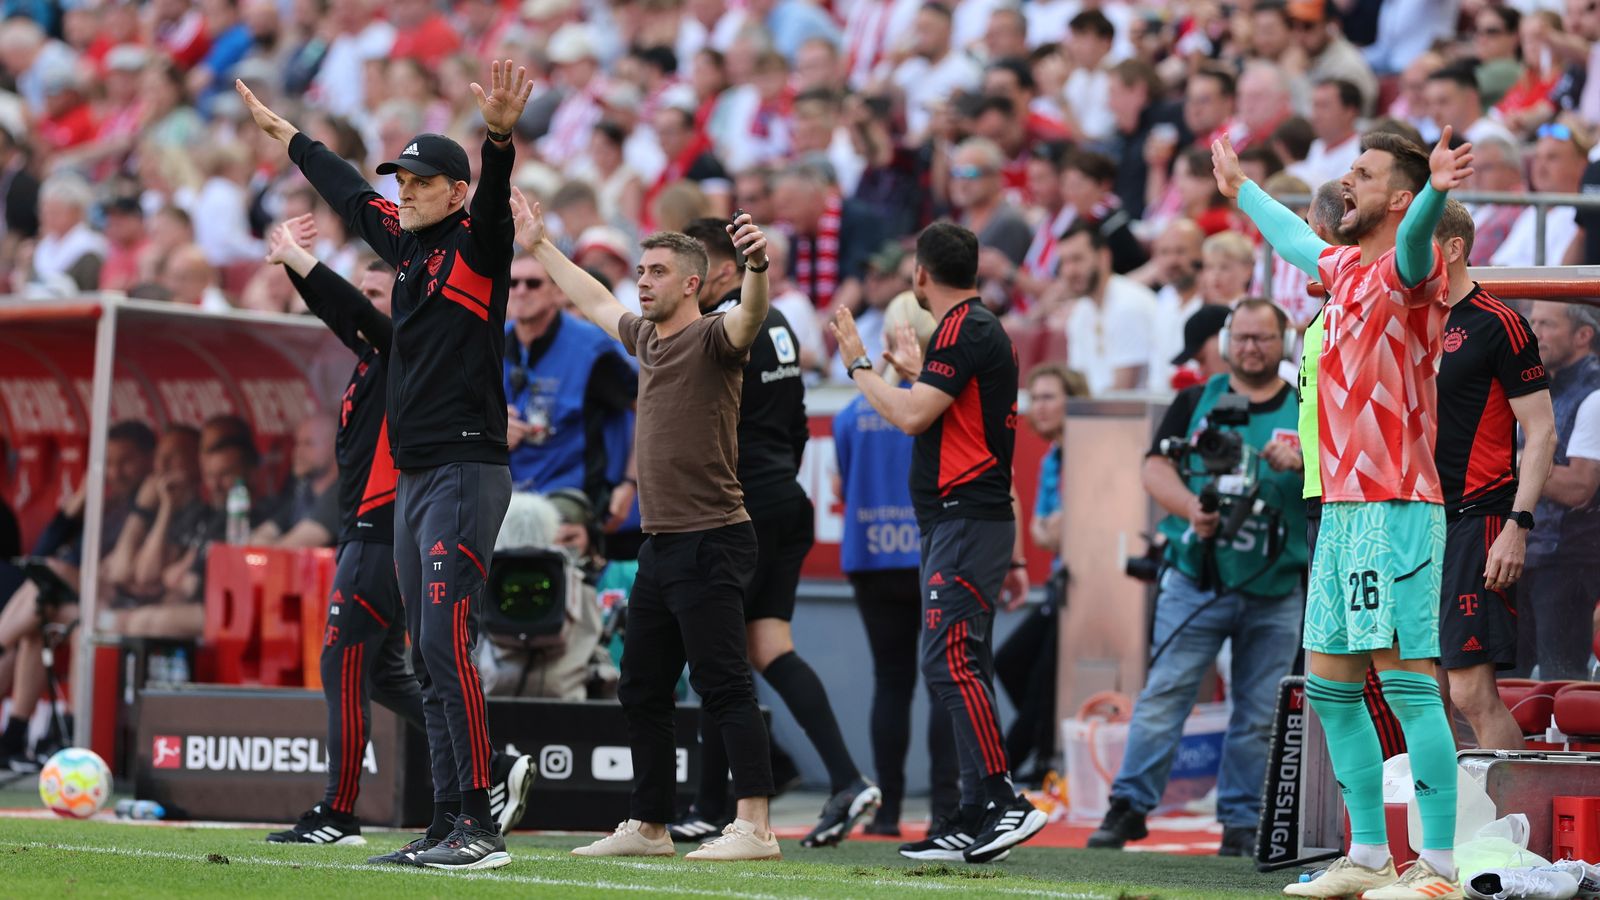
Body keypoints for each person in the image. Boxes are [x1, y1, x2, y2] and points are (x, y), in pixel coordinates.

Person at [237, 58, 534, 871]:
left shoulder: (480, 244)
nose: (403, 189)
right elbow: (343, 190)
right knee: (427, 658)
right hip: (415, 477)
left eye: (420, 179)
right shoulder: (404, 250)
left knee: (446, 642)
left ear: (456, 191)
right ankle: (445, 820)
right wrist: (288, 137)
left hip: (468, 470)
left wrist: (499, 138)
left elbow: (500, 196)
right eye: (401, 177)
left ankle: (480, 822)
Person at [1215, 125, 1473, 898]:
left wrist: (1434, 190)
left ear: (1396, 195)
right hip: (1343, 509)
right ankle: (1366, 855)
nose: (1345, 182)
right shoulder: (1343, 269)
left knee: (1407, 683)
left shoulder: (1407, 269)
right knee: (1329, 685)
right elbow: (1297, 237)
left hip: (1397, 505)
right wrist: (1243, 192)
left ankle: (1438, 866)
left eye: (1362, 173)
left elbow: (1422, 232)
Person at [515, 190, 782, 861]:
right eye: (639, 271)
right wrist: (541, 246)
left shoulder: (715, 336)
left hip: (711, 536)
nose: (640, 281)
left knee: (722, 682)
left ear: (692, 283)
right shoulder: (645, 337)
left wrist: (756, 267)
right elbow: (594, 299)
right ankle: (651, 825)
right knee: (640, 686)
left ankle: (756, 827)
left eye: (655, 272)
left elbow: (750, 318)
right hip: (662, 542)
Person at [829, 222, 1047, 864]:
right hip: (968, 520)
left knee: (948, 661)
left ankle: (1005, 801)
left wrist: (860, 367)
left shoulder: (963, 328)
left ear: (921, 274)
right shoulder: (977, 329)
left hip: (964, 518)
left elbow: (909, 416)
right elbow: (954, 412)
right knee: (957, 662)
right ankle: (972, 810)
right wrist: (912, 372)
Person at [668, 217, 881, 847]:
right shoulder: (782, 321)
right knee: (767, 648)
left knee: (717, 654)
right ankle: (845, 778)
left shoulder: (726, 324)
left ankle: (712, 805)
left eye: (696, 269)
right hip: (787, 497)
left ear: (728, 270)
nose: (690, 283)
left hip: (744, 505)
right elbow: (791, 426)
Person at [1087, 299, 1307, 858]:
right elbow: (1153, 466)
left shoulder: (1308, 404)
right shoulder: (1195, 399)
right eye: (1243, 337)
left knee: (1259, 713)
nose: (1251, 347)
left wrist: (1306, 463)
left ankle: (1240, 820)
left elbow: (1343, 470)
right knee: (1165, 694)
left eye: (1263, 338)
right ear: (1228, 340)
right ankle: (1128, 807)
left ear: (1284, 341)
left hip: (1276, 581)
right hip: (1197, 575)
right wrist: (1190, 507)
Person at [833, 291, 960, 837]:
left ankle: (886, 814)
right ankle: (945, 813)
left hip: (869, 557)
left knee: (891, 681)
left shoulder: (849, 412)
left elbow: (841, 482)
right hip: (929, 552)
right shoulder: (937, 401)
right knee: (942, 684)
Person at [1430, 201, 1555, 750]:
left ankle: (1512, 828)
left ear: (1454, 249)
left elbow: (1542, 432)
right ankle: (1442, 828)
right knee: (1420, 688)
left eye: (1418, 243)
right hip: (1415, 519)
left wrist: (1516, 523)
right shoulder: (1409, 315)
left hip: (1477, 516)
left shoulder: (1499, 322)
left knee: (1471, 694)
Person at [502, 249, 638, 520]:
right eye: (512, 283)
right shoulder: (488, 341)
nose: (520, 291)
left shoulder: (592, 348)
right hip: (505, 502)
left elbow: (649, 406)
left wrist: (629, 483)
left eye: (533, 283)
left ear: (558, 292)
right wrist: (491, 428)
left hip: (573, 506)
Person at [994, 363, 1082, 783]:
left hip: (1088, 589)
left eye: (1049, 397)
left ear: (1073, 400)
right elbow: (1043, 533)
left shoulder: (1092, 450)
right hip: (1060, 585)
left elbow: (1069, 526)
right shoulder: (1053, 457)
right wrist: (1060, 526)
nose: (1039, 407)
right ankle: (1040, 751)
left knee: (1042, 676)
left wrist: (1061, 525)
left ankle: (1005, 769)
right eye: (1036, 398)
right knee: (1012, 663)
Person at [1522, 302, 1600, 681]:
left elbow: (1580, 487)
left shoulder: (1595, 394)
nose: (1534, 332)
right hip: (1528, 554)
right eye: (1532, 321)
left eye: (1547, 324)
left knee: (1559, 681)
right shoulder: (1538, 385)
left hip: (1568, 561)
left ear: (1583, 335)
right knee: (1512, 681)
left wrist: (1514, 463)